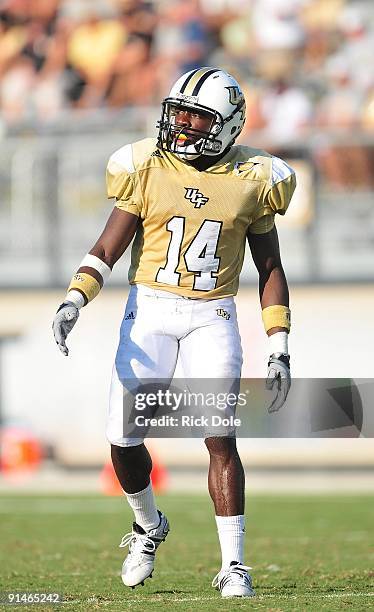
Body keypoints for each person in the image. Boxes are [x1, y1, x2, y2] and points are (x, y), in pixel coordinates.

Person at [52, 66, 295, 598]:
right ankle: (147, 525)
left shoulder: (256, 178)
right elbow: (107, 248)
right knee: (123, 437)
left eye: (194, 118)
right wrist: (75, 297)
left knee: (219, 436)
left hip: (213, 315)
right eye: (177, 115)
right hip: (152, 310)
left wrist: (279, 347)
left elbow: (270, 269)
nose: (180, 127)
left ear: (227, 125)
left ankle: (234, 564)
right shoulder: (146, 166)